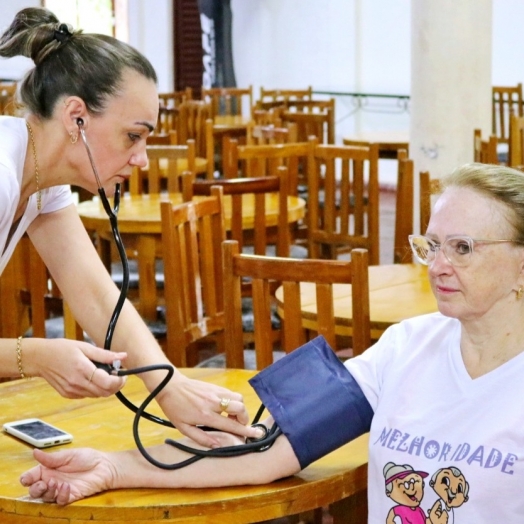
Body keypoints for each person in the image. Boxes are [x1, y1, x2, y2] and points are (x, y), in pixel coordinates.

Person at [20, 162, 524, 522]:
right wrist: (113, 468)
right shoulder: (407, 345)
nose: (438, 265)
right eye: (432, 246)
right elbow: (271, 450)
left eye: (463, 248)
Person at [0, 7, 261, 448]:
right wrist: (34, 356)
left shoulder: (43, 178)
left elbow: (99, 298)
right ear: (75, 116)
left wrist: (169, 388)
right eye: (133, 136)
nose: (141, 159)